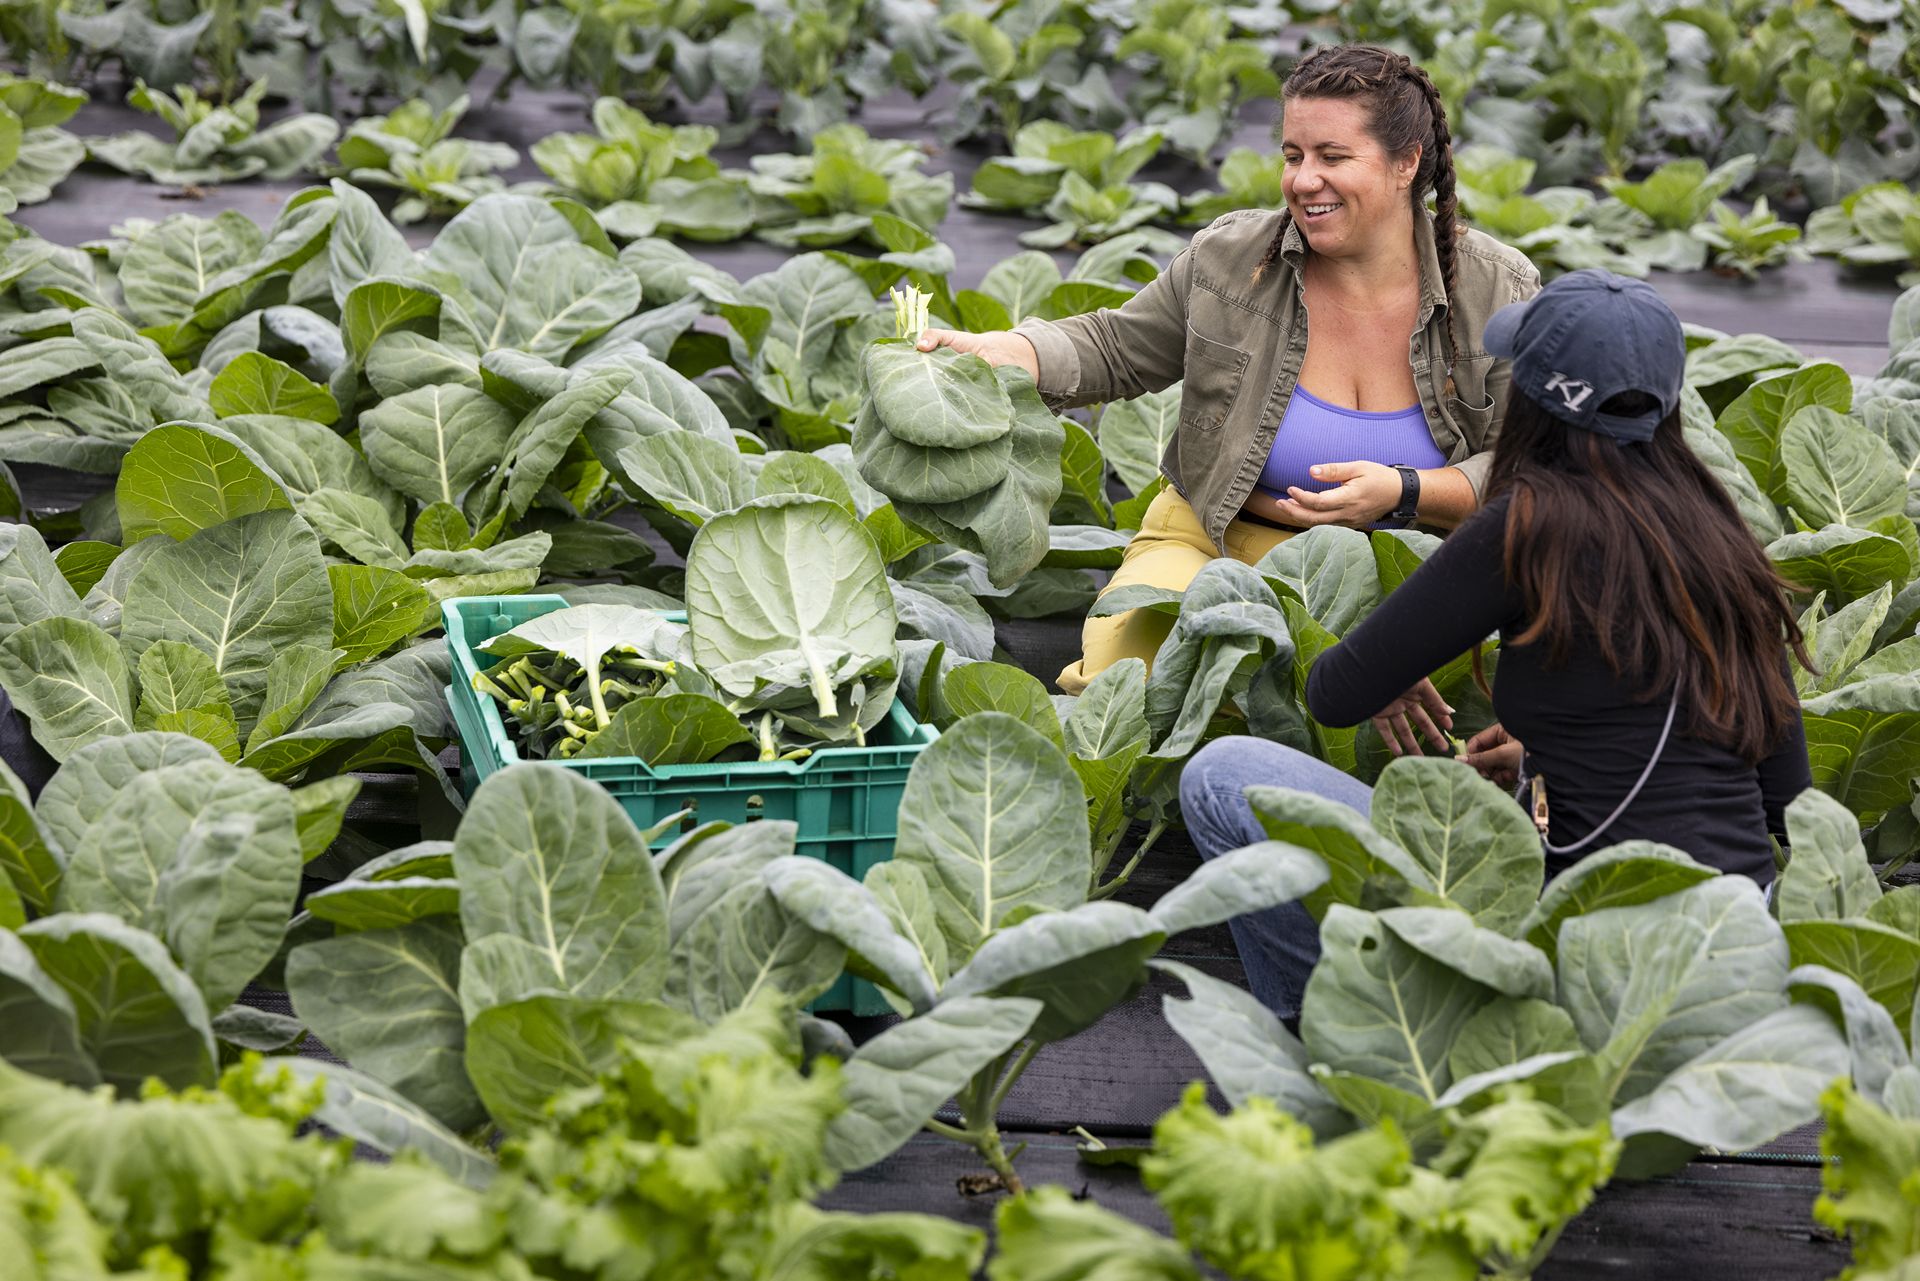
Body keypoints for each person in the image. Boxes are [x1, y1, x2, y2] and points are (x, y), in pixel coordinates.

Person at [1178, 269, 1816, 1022]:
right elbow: (1786, 801)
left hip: (1593, 971)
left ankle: (1328, 1034)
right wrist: (1546, 761)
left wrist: (1390, 671)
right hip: (1735, 958)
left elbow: (1335, 692)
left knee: (1221, 776)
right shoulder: (1724, 540)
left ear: (1537, 406)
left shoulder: (1527, 525)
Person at [915, 44, 1540, 693]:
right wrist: (1015, 351)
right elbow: (1116, 345)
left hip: (1414, 570)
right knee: (1127, 688)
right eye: (1293, 156)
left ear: (1406, 162)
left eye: (1332, 157)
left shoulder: (1496, 290)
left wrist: (1405, 490)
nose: (1303, 180)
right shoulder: (1232, 259)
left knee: (1444, 714)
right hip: (1212, 542)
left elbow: (1526, 465)